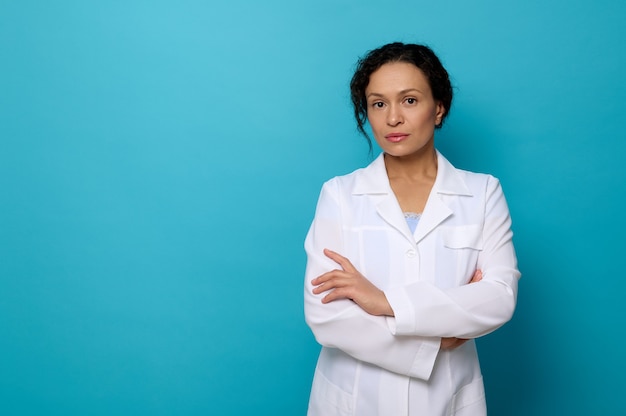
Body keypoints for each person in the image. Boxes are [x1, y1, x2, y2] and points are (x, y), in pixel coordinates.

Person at [303, 42, 520, 416]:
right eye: (378, 103)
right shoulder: (339, 194)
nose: (392, 119)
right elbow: (326, 316)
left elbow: (499, 297)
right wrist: (434, 342)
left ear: (439, 108)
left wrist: (383, 302)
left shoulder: (483, 193)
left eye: (409, 100)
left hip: (448, 396)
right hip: (355, 398)